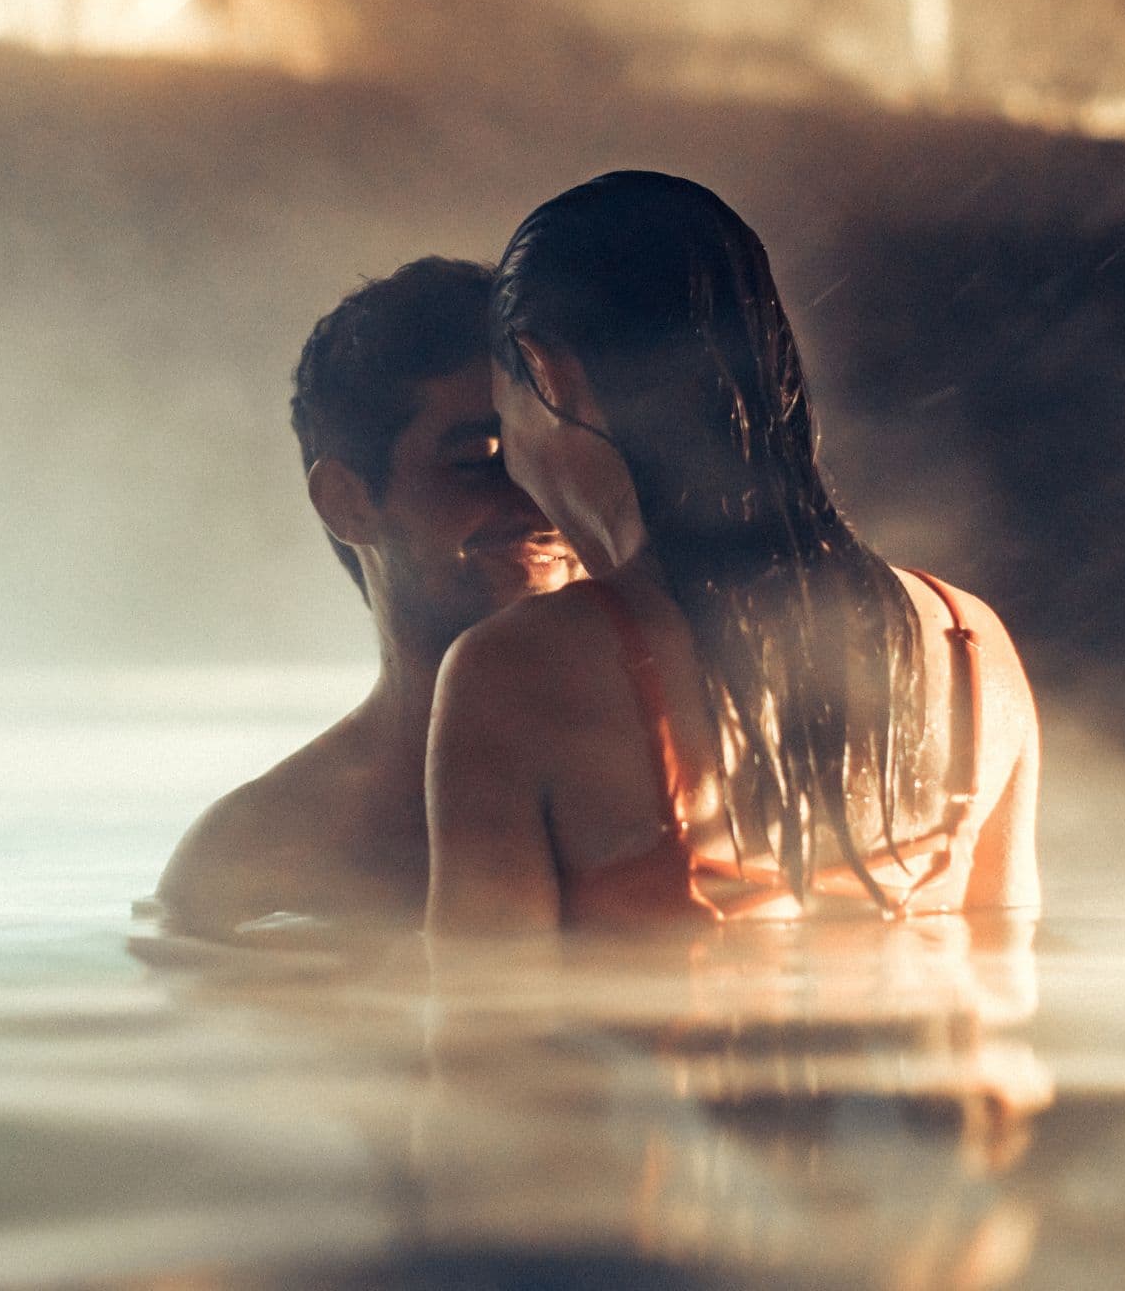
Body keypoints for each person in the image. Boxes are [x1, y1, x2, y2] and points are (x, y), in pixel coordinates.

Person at [426, 172, 1040, 933]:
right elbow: (1006, 985)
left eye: (501, 413)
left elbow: (481, 1030)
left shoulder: (517, 674)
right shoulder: (973, 647)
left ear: (547, 373)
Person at [154, 258, 585, 940]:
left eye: (555, 461)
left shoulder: (708, 779)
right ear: (347, 503)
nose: (539, 504)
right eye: (478, 462)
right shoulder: (257, 861)